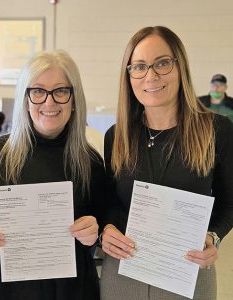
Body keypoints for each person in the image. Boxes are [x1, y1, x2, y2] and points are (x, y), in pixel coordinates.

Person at [0, 49, 106, 300]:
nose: (49, 102)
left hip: (69, 289)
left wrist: (97, 229)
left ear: (73, 99)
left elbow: (106, 216)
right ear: (25, 99)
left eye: (60, 91)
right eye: (37, 91)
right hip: (3, 286)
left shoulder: (89, 160)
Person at [100, 26, 233, 300]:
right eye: (139, 67)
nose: (151, 76)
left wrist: (214, 236)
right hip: (125, 270)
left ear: (180, 66)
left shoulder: (215, 130)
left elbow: (229, 201)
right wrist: (108, 228)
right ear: (129, 75)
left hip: (187, 269)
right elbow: (110, 200)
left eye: (162, 63)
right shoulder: (117, 136)